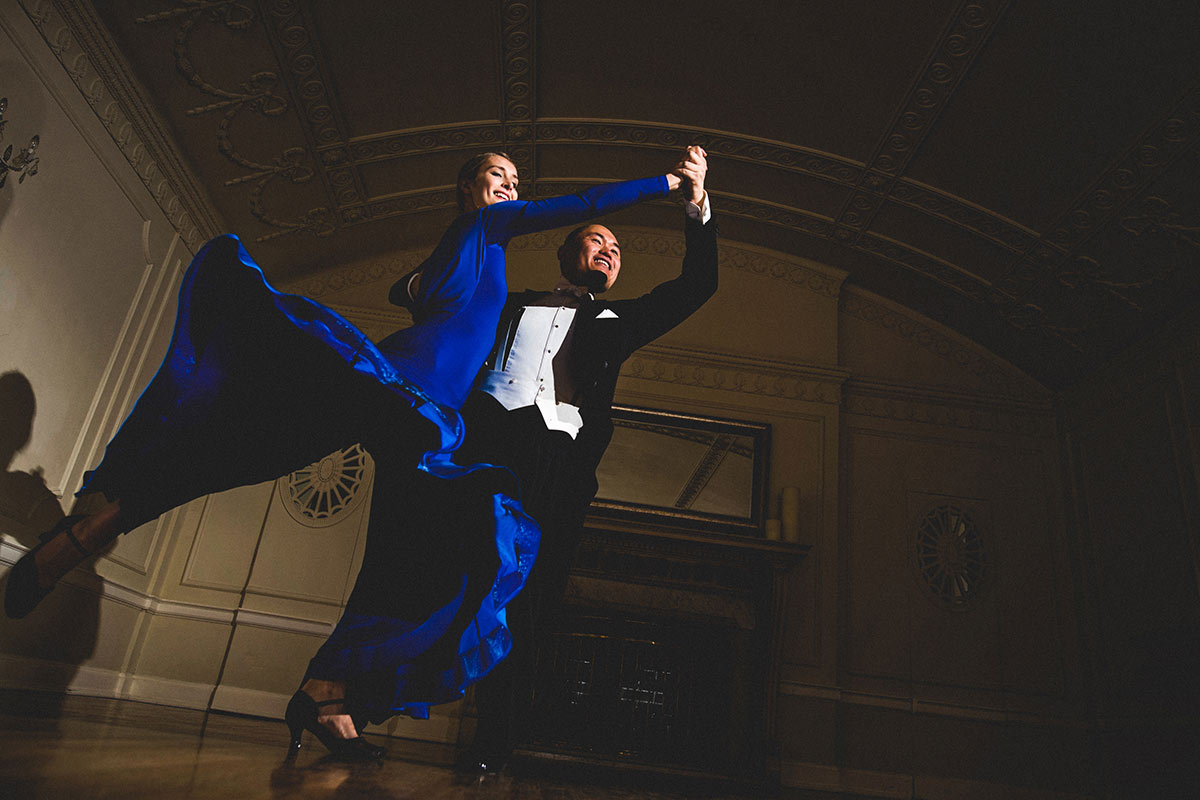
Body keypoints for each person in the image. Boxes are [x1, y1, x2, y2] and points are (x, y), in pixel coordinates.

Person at [3, 149, 696, 759]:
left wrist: (422, 287)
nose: (510, 188)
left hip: (419, 410)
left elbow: (421, 293)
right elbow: (580, 205)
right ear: (468, 189)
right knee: (279, 459)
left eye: (515, 180)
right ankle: (318, 682)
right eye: (496, 176)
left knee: (279, 464)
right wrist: (666, 182)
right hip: (404, 392)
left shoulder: (486, 257)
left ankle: (94, 534)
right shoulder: (488, 227)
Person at [344, 145, 717, 772]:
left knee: (529, 602)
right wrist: (426, 279)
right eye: (596, 241)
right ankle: (359, 702)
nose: (607, 251)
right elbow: (413, 292)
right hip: (485, 444)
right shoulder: (505, 300)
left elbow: (698, 285)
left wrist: (697, 205)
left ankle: (492, 744)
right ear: (565, 252)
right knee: (436, 568)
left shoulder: (623, 320)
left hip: (558, 463)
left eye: (616, 250)